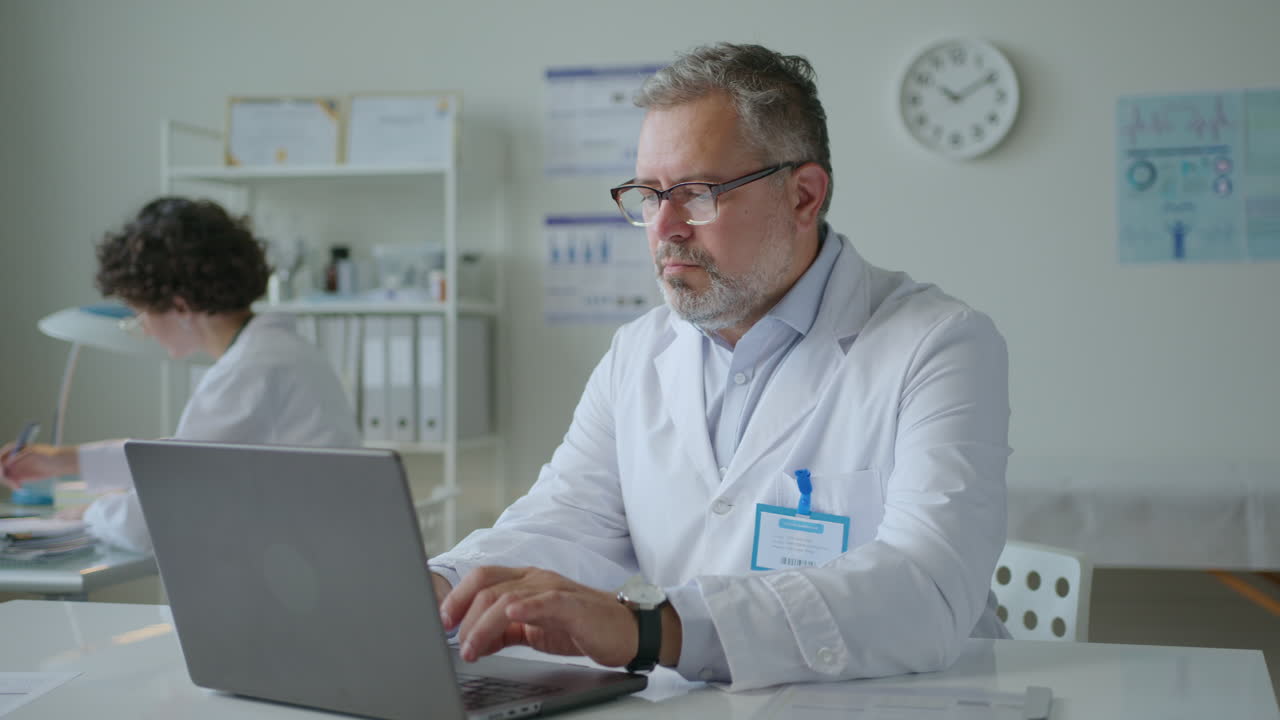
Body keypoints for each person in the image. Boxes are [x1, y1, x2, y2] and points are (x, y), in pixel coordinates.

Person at [431, 41, 1011, 691]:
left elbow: (924, 589)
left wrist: (653, 628)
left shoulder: (938, 345)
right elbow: (563, 521)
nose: (665, 227)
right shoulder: (638, 353)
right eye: (649, 196)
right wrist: (439, 587)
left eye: (697, 193)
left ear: (803, 197)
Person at [1, 197, 361, 553]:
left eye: (140, 314)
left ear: (180, 307)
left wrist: (89, 514)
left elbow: (159, 519)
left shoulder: (249, 371)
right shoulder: (281, 353)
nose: (143, 329)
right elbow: (182, 458)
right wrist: (65, 460)